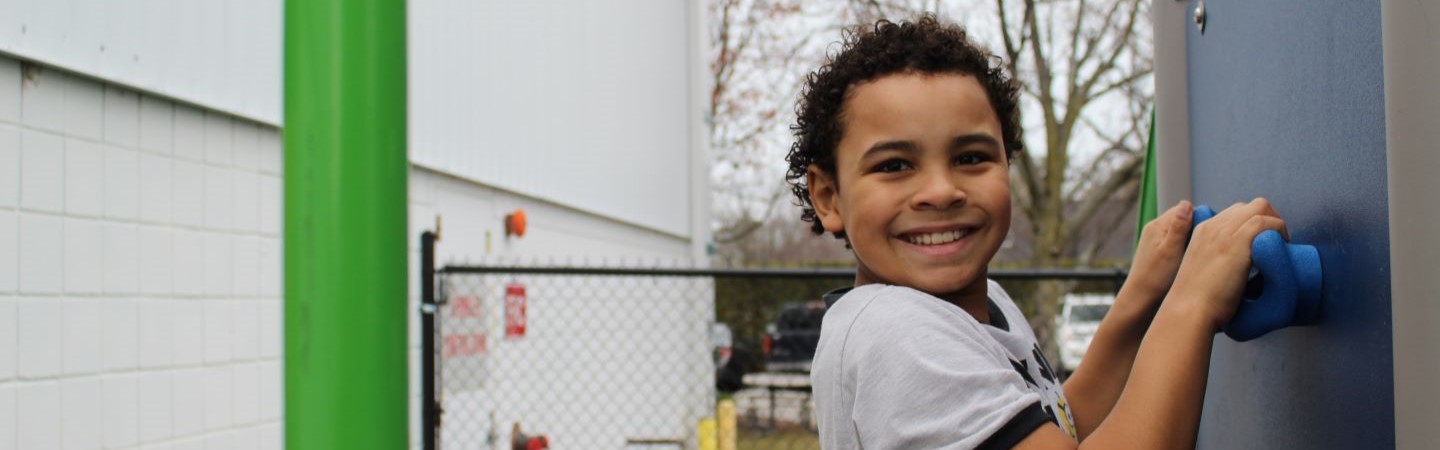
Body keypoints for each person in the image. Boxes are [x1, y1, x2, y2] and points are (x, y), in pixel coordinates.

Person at [786, 15, 1288, 449]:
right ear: (828, 196)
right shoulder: (898, 333)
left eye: (971, 158)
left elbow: (1058, 428)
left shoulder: (973, 307)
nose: (940, 191)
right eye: (895, 165)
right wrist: (1193, 303)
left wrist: (1141, 297)